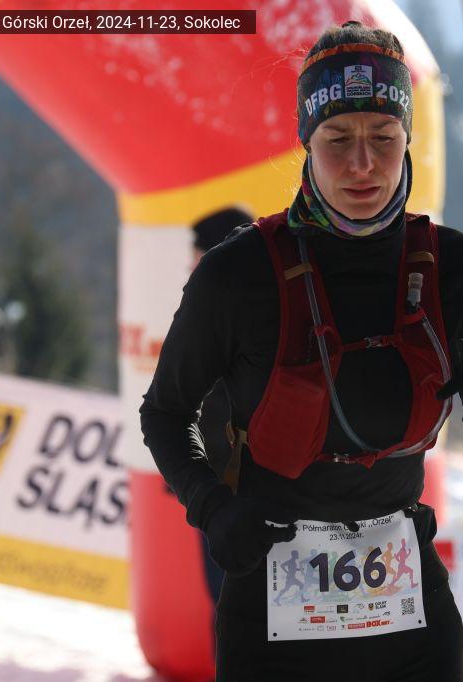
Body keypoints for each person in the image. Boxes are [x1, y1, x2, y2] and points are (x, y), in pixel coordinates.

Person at [140, 21, 463, 681]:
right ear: (306, 141)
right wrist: (212, 507)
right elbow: (164, 414)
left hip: (410, 628)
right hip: (272, 627)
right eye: (338, 139)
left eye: (383, 137)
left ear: (407, 138)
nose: (362, 164)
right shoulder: (238, 275)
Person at [189, 207, 254, 606]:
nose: (190, 264)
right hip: (221, 480)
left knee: (233, 599)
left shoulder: (227, 314)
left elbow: (210, 402)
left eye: (197, 255)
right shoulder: (222, 307)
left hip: (232, 486)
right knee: (229, 599)